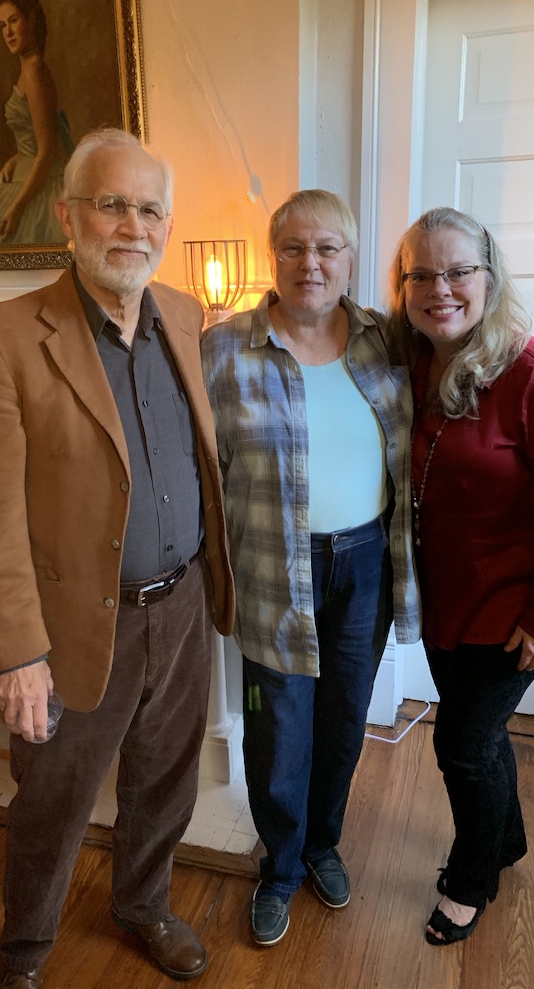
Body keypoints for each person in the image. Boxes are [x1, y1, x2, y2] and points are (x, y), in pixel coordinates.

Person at [0, 127, 234, 989]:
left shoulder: (183, 313)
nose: (133, 226)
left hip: (182, 606)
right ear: (68, 216)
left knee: (166, 780)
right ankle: (24, 953)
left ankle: (144, 906)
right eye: (112, 205)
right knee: (53, 800)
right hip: (72, 624)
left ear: (167, 225)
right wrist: (17, 656)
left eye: (150, 209)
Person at [201, 190, 421, 947]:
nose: (311, 263)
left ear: (351, 259)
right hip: (273, 569)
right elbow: (201, 472)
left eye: (328, 248)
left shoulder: (388, 342)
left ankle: (322, 844)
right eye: (294, 247)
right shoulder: (223, 350)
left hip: (364, 565)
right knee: (278, 730)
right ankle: (280, 867)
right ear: (274, 256)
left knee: (343, 721)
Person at [385, 206, 534, 946]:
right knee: (482, 736)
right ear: (403, 286)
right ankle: (506, 840)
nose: (439, 289)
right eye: (421, 275)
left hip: (514, 612)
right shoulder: (416, 364)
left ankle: (471, 879)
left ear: (488, 276)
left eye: (457, 271)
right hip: (447, 603)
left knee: (461, 745)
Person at [0, 0, 73, 247]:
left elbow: (47, 151)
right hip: (25, 177)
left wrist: (16, 208)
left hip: (40, 188)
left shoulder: (35, 72)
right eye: (3, 25)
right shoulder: (28, 68)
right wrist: (16, 160)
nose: (8, 32)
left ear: (31, 19)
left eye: (14, 20)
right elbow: (36, 139)